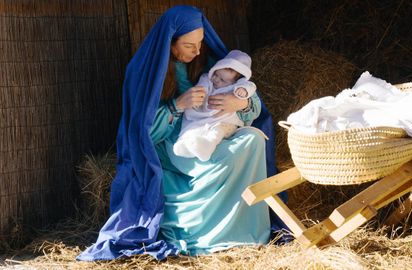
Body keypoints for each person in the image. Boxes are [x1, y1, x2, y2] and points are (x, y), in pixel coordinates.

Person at [77, 5, 279, 261]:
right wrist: (178, 105)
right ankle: (208, 235)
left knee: (251, 140)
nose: (196, 51)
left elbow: (250, 99)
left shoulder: (207, 62)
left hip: (210, 132)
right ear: (170, 44)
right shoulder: (143, 71)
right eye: (188, 45)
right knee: (213, 161)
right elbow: (141, 131)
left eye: (200, 43)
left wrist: (240, 104)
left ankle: (244, 232)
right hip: (171, 145)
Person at [173, 49, 261, 161]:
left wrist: (243, 91)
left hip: (224, 120)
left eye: (222, 80)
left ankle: (207, 145)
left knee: (218, 130)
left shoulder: (239, 85)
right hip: (204, 115)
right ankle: (183, 144)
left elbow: (250, 87)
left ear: (235, 81)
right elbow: (202, 85)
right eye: (216, 74)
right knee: (192, 126)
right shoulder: (208, 78)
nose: (216, 80)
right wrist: (202, 93)